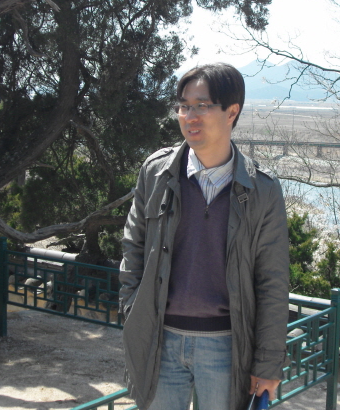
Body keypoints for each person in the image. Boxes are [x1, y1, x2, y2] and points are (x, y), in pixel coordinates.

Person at [119, 63, 289, 410]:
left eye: (202, 106)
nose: (189, 116)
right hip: (159, 339)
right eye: (183, 106)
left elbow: (272, 281)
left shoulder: (262, 190)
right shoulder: (157, 173)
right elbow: (133, 247)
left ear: (232, 112)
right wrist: (131, 309)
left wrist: (268, 363)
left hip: (226, 346)